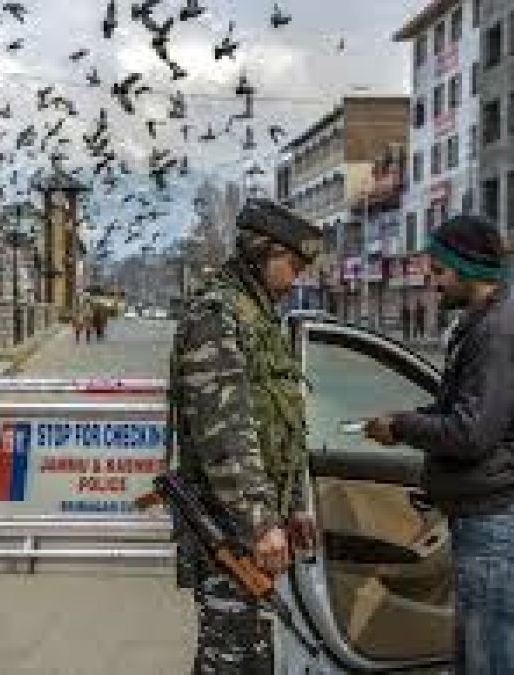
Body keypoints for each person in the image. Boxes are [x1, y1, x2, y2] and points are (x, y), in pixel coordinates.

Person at [364, 214, 514, 675]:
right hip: (482, 516)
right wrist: (406, 422)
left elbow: (472, 432)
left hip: (493, 523)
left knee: (492, 659)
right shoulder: (483, 325)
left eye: (439, 270)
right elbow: (466, 412)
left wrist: (405, 426)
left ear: (468, 270)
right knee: (479, 656)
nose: (432, 280)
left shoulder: (500, 333)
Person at [169, 198, 323, 674]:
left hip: (249, 527)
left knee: (250, 656)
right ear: (262, 252)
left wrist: (295, 503)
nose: (296, 277)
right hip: (227, 529)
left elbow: (282, 423)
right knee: (231, 659)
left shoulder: (259, 316)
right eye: (292, 265)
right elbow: (225, 436)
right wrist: (260, 521)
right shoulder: (217, 314)